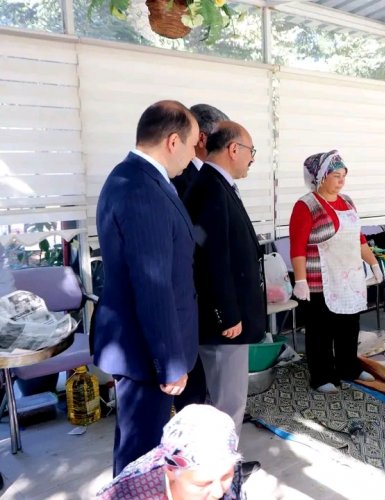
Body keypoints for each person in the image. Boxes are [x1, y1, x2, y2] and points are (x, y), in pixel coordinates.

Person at [94, 100, 200, 475]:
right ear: (173, 141)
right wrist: (169, 363)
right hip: (145, 351)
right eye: (191, 146)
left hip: (144, 346)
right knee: (140, 453)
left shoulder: (141, 179)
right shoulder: (139, 187)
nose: (192, 156)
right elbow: (152, 284)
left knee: (141, 446)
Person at [183, 121, 265, 478]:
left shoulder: (216, 185)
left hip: (225, 317)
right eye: (251, 152)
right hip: (224, 324)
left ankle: (215, 467)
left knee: (221, 400)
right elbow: (210, 257)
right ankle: (221, 477)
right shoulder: (210, 189)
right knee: (227, 403)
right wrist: (227, 313)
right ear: (234, 150)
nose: (251, 161)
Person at [288, 150, 383, 393]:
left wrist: (373, 264)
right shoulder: (306, 205)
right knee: (321, 331)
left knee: (349, 326)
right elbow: (297, 247)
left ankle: (348, 367)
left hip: (349, 278)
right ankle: (321, 376)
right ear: (321, 178)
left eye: (343, 175)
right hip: (319, 280)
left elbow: (359, 239)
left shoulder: (348, 202)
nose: (342, 181)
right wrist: (300, 280)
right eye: (336, 176)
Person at [174, 104, 228, 413]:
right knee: (194, 374)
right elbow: (195, 237)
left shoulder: (210, 176)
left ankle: (214, 415)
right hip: (195, 287)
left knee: (214, 369)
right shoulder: (182, 179)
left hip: (209, 291)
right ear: (203, 138)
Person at [97, 405, 243, 500]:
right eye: (202, 483)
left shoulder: (224, 468)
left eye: (226, 476)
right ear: (171, 470)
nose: (218, 493)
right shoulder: (128, 495)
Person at [172, 104, 229, 199]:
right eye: (223, 139)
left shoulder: (215, 175)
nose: (228, 148)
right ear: (202, 139)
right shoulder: (178, 177)